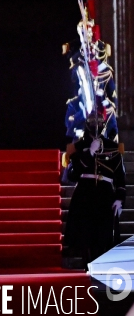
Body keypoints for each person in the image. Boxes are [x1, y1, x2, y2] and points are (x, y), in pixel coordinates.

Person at [64, 108, 126, 265]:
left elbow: (120, 178)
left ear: (104, 123)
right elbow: (72, 174)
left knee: (103, 236)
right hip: (85, 194)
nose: (95, 124)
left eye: (99, 120)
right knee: (85, 235)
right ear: (86, 123)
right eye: (92, 120)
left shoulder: (113, 148)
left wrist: (119, 199)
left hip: (105, 195)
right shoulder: (77, 147)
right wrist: (89, 152)